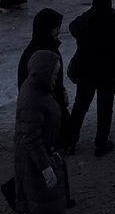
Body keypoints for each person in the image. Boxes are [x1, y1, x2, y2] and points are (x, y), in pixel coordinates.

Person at [67, 0, 115, 157]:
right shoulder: (113, 21)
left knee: (80, 107)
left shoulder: (86, 21)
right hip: (108, 73)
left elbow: (72, 27)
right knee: (105, 108)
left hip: (86, 72)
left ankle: (70, 143)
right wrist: (112, 13)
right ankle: (101, 144)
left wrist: (90, 13)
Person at [13, 49, 69, 214]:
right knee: (42, 204)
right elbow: (31, 138)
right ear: (44, 71)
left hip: (41, 157)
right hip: (35, 163)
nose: (55, 77)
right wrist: (45, 167)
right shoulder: (32, 97)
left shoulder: (38, 89)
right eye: (54, 74)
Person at [18, 9, 71, 148]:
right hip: (44, 109)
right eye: (55, 34)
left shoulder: (33, 50)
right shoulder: (43, 54)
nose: (57, 38)